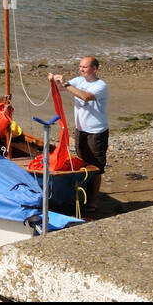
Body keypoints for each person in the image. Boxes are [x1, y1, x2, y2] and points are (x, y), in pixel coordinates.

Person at [50, 57, 108, 212]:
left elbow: (85, 96)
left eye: (85, 67)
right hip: (81, 130)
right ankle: (83, 196)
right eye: (80, 66)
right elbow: (62, 89)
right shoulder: (78, 80)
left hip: (96, 132)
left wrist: (66, 84)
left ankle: (92, 202)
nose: (81, 69)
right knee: (82, 163)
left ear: (94, 69)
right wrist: (55, 80)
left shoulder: (100, 86)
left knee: (95, 167)